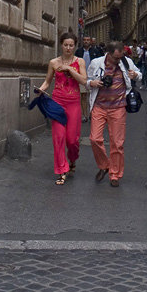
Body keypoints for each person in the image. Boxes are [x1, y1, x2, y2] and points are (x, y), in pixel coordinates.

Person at [86, 40, 142, 186]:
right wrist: (92, 83)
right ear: (108, 54)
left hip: (118, 107)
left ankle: (115, 174)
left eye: (120, 57)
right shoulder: (96, 63)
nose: (119, 60)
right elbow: (87, 80)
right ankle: (105, 165)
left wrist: (134, 75)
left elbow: (139, 75)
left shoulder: (126, 61)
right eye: (116, 58)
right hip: (99, 106)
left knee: (117, 143)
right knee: (94, 138)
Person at [39, 32, 87, 185]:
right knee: (58, 138)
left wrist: (70, 70)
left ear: (74, 46)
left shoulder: (79, 62)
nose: (68, 48)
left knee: (72, 140)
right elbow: (47, 82)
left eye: (71, 45)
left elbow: (84, 81)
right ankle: (62, 170)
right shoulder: (53, 62)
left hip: (73, 103)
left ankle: (72, 159)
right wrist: (40, 89)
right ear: (61, 45)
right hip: (57, 102)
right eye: (65, 45)